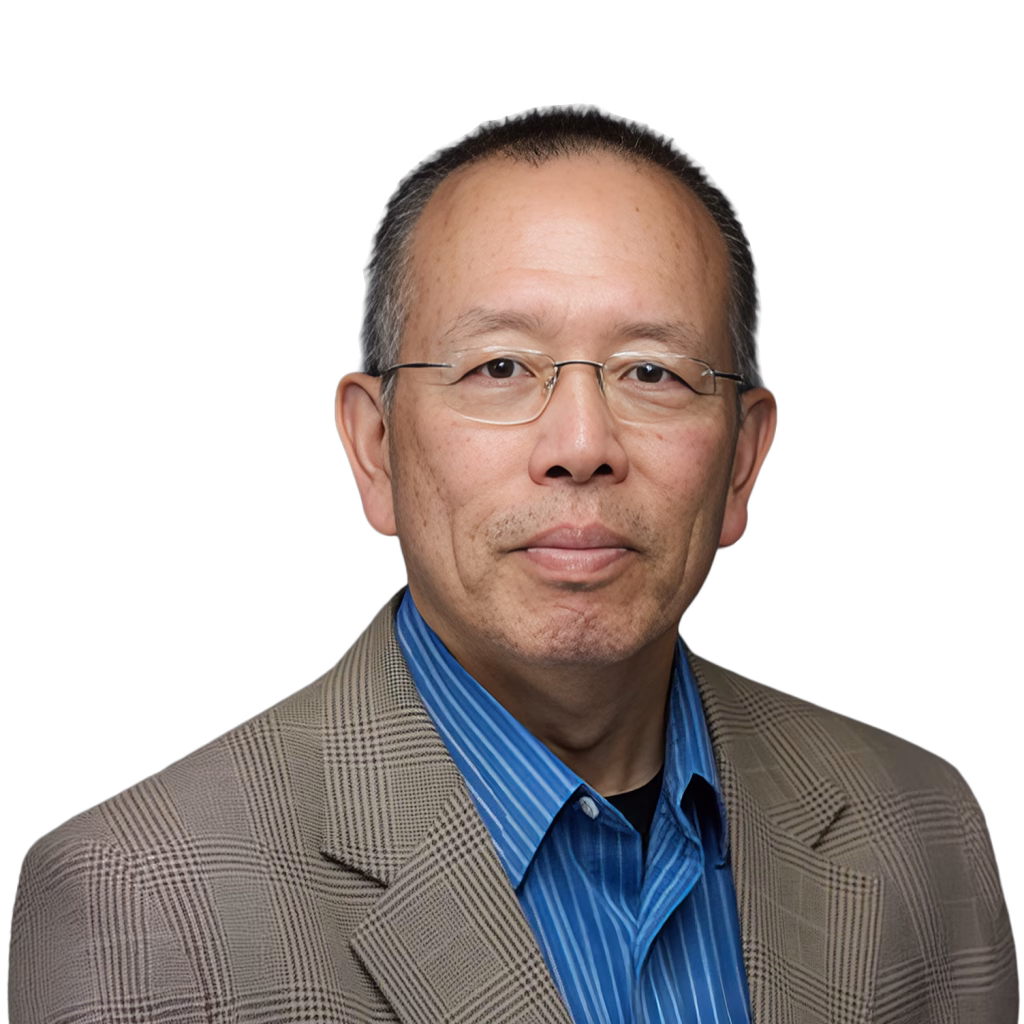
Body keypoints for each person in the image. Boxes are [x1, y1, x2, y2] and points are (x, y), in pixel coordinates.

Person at [8, 105, 1016, 1023]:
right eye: (499, 367)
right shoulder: (140, 896)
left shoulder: (918, 823)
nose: (581, 444)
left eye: (651, 371)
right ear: (374, 448)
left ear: (743, 460)